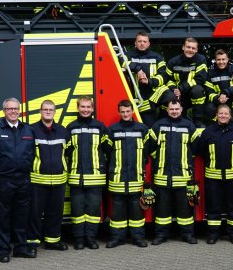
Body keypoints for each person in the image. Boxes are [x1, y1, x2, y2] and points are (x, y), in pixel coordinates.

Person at [0, 98, 37, 262]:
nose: (13, 111)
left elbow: (32, 153)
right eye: (9, 109)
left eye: (16, 109)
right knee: (3, 215)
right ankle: (4, 250)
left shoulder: (27, 129)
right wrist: (0, 168)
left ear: (20, 111)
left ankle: (20, 248)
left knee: (22, 215)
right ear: (4, 111)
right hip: (3, 179)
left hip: (23, 179)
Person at [146, 99, 201, 245]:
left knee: (185, 210)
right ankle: (161, 235)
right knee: (162, 210)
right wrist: (159, 160)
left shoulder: (189, 125)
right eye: (172, 109)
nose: (174, 112)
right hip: (162, 176)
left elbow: (196, 149)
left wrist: (186, 161)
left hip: (183, 177)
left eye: (177, 109)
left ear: (181, 109)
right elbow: (148, 147)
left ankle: (187, 235)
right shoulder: (158, 125)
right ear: (167, 110)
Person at [197, 104, 233, 244]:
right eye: (221, 113)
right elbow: (200, 149)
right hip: (213, 176)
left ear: (230, 116)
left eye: (226, 114)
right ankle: (213, 234)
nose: (223, 116)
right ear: (216, 115)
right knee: (213, 207)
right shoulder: (208, 131)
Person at [64, 96, 110, 250]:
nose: (85, 110)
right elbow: (66, 152)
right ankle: (79, 239)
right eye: (82, 107)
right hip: (77, 177)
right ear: (78, 108)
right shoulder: (71, 127)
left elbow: (108, 149)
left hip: (96, 177)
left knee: (93, 210)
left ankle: (90, 238)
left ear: (92, 109)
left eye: (88, 107)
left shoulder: (100, 127)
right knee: (77, 210)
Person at [105, 100, 150, 248]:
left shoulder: (142, 129)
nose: (125, 114)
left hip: (136, 177)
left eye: (128, 111)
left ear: (132, 111)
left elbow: (147, 151)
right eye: (122, 112)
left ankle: (138, 238)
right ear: (119, 112)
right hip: (118, 177)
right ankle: (117, 238)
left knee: (137, 210)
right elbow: (107, 152)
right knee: (117, 211)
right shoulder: (112, 130)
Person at [26, 100, 69, 252]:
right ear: (40, 111)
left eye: (51, 109)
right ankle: (32, 242)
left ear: (55, 111)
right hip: (38, 180)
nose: (48, 112)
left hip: (59, 179)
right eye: (45, 109)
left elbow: (68, 152)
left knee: (55, 213)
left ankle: (52, 241)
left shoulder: (63, 131)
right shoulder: (31, 130)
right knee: (35, 213)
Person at [159, 37, 208, 126]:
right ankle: (167, 122)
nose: (190, 50)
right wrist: (174, 89)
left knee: (198, 90)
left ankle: (198, 122)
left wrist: (181, 88)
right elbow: (167, 79)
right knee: (167, 95)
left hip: (191, 93)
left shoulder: (201, 60)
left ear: (196, 50)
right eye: (188, 47)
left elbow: (200, 79)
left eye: (193, 48)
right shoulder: (173, 61)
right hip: (177, 93)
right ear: (183, 47)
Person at [124, 31, 167, 126]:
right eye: (139, 41)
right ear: (135, 43)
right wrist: (137, 69)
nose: (142, 43)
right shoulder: (127, 55)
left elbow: (163, 76)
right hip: (138, 97)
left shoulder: (157, 57)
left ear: (149, 44)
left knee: (170, 98)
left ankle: (162, 120)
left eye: (144, 41)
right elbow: (121, 62)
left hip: (154, 92)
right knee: (147, 126)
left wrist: (150, 81)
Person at [203, 49, 233, 122]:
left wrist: (226, 93)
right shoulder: (210, 72)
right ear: (215, 60)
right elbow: (209, 91)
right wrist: (218, 98)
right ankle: (216, 125)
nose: (221, 62)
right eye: (218, 60)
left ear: (227, 60)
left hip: (232, 98)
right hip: (217, 100)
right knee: (209, 107)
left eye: (223, 59)